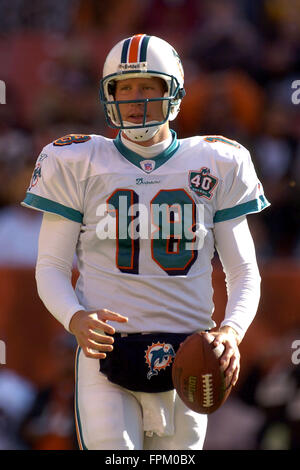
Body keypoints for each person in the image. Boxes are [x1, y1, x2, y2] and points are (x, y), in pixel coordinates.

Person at [21, 34, 270, 450]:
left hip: (190, 354)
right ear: (109, 94)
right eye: (124, 88)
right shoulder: (76, 161)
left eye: (147, 86)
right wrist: (74, 318)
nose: (135, 98)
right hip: (106, 355)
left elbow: (244, 269)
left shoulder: (218, 161)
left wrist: (232, 332)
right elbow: (50, 265)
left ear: (172, 92)